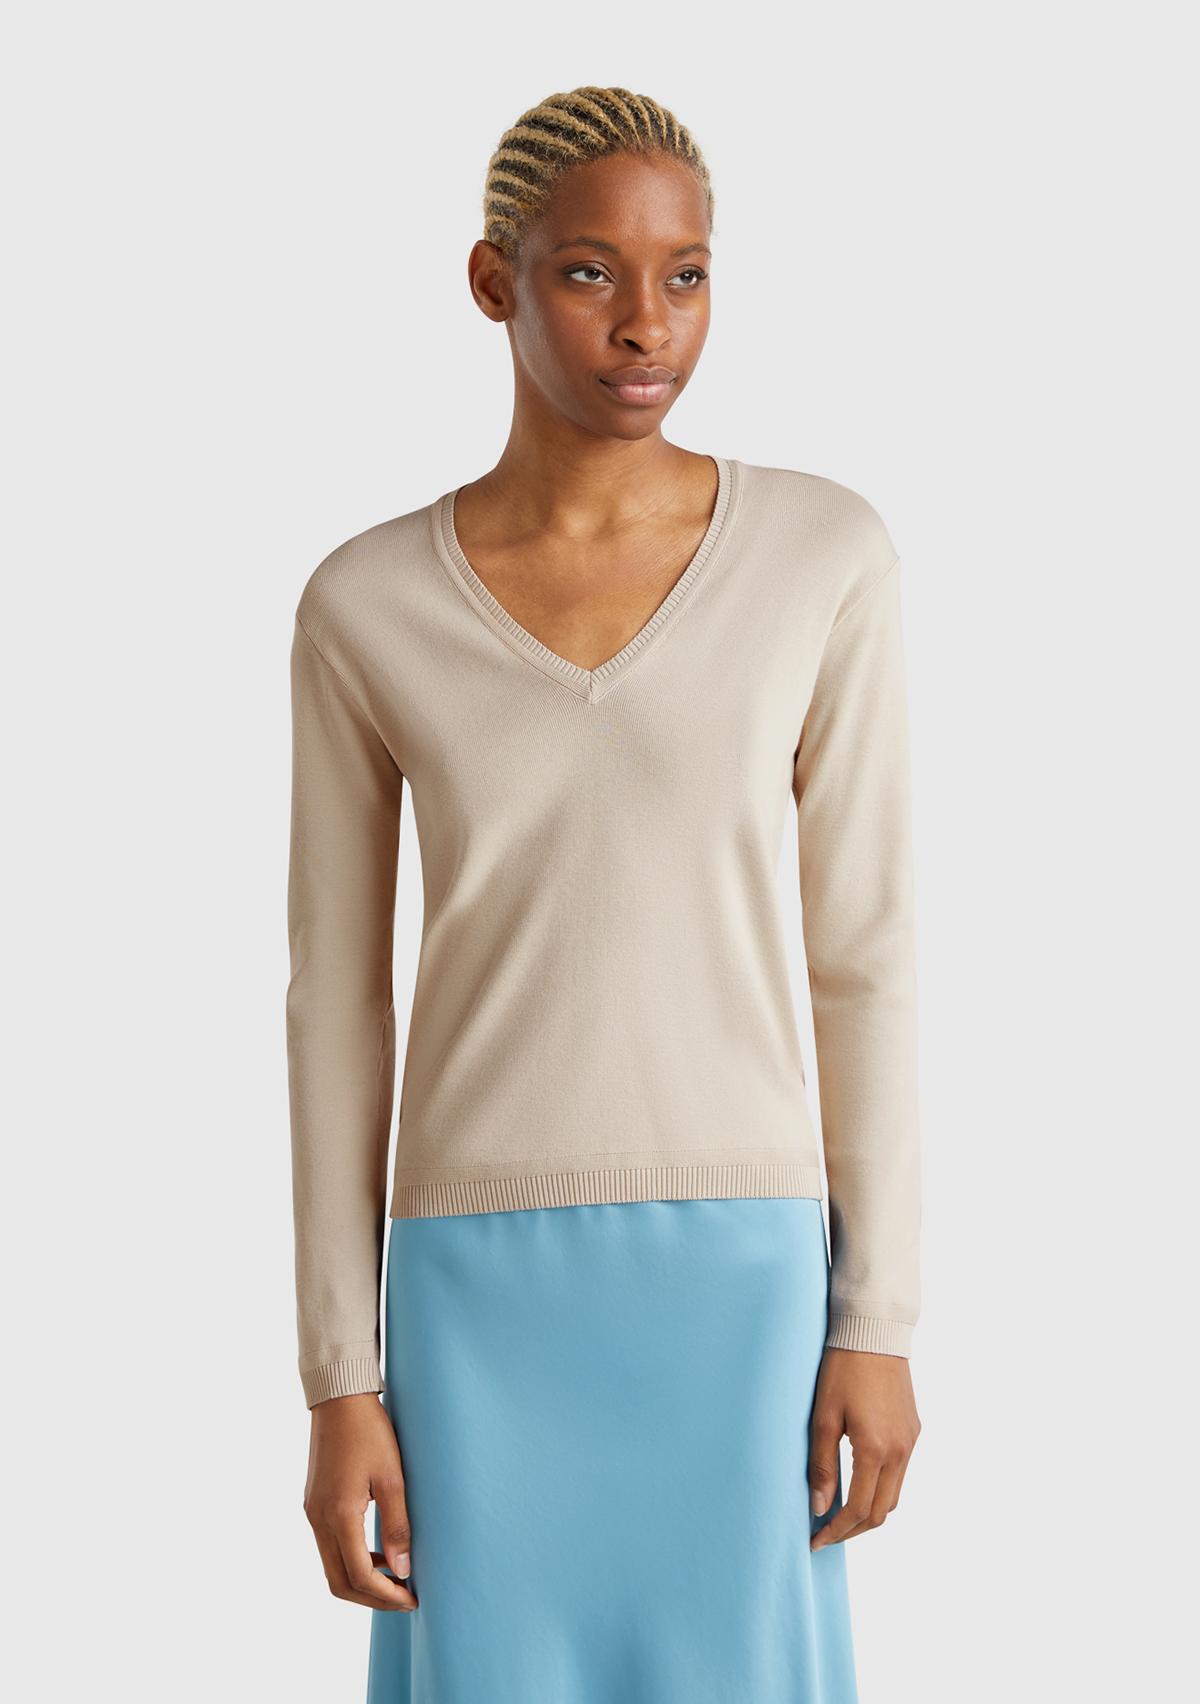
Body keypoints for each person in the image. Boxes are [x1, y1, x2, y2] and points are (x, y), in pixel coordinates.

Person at [286, 84, 923, 1704]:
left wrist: (879, 1321)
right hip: (472, 1290)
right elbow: (336, 1008)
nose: (648, 325)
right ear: (491, 281)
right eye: (589, 274)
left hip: (748, 1281)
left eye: (686, 275)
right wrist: (339, 1379)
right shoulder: (366, 602)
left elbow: (865, 957)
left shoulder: (823, 556)